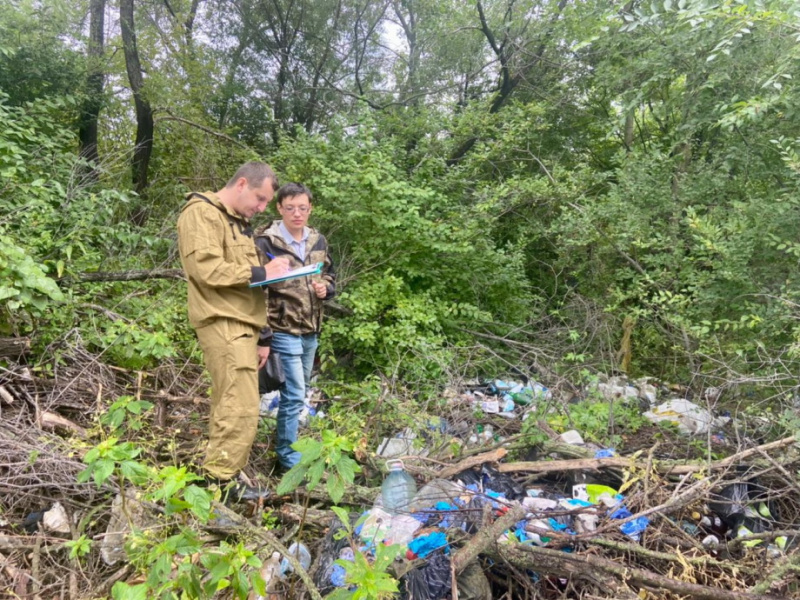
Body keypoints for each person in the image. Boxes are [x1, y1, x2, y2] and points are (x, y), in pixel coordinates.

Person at [176, 161, 290, 498]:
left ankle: (220, 480)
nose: (261, 207)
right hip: (222, 322)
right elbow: (206, 269)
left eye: (266, 202)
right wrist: (262, 272)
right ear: (241, 183)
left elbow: (250, 284)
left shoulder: (236, 222)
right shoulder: (201, 213)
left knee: (234, 405)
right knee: (238, 407)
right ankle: (216, 489)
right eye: (260, 198)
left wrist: (264, 335)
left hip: (243, 325)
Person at [254, 183, 335, 472]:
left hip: (311, 328)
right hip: (282, 326)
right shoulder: (266, 242)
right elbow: (257, 289)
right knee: (295, 392)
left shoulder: (318, 240)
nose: (297, 213)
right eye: (290, 208)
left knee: (299, 391)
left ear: (310, 208)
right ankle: (287, 457)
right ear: (279, 208)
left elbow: (329, 275)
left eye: (302, 207)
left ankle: (289, 449)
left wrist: (326, 289)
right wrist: (263, 333)